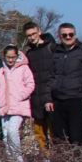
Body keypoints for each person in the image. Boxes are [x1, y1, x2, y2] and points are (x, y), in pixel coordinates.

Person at [47, 23, 82, 145]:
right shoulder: (55, 52)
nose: (68, 37)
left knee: (76, 136)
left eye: (70, 34)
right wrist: (49, 98)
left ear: (75, 34)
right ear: (59, 36)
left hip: (77, 99)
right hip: (58, 100)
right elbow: (51, 76)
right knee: (59, 137)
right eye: (64, 35)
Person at [0, 45, 35, 162]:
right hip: (4, 107)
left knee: (12, 131)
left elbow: (30, 84)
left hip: (19, 107)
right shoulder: (1, 71)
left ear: (17, 56)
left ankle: (19, 161)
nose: (10, 60)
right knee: (6, 136)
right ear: (4, 57)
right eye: (8, 57)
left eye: (13, 57)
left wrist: (21, 96)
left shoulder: (24, 68)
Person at [23, 23, 56, 151]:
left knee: (54, 133)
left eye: (33, 34)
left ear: (39, 32)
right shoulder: (29, 53)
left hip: (51, 96)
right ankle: (44, 160)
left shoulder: (52, 48)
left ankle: (57, 159)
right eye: (29, 36)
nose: (31, 37)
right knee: (39, 134)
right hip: (36, 97)